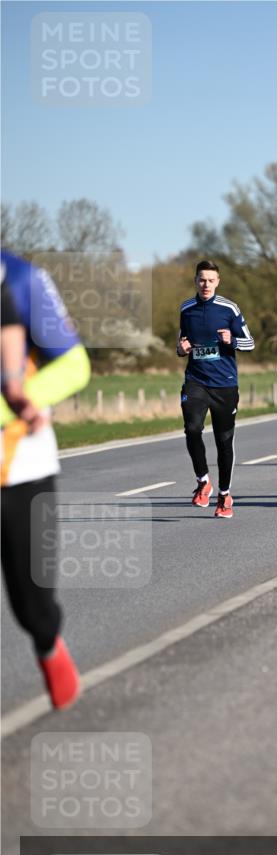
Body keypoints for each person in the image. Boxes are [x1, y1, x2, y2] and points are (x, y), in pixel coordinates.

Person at [1, 250, 91, 709]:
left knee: (31, 605)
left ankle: (47, 642)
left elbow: (74, 366)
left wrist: (18, 404)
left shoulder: (21, 279)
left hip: (19, 464)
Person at [177, 260, 255, 518]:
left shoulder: (229, 308)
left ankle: (224, 495)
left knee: (223, 441)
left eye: (211, 280)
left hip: (225, 384)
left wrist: (232, 340)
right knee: (192, 428)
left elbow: (250, 343)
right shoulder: (186, 309)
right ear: (195, 281)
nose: (206, 284)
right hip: (196, 380)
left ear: (218, 282)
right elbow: (181, 343)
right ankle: (203, 482)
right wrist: (181, 349)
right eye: (202, 279)